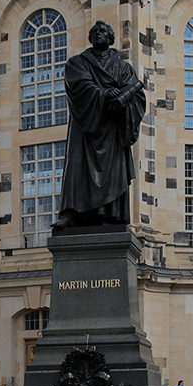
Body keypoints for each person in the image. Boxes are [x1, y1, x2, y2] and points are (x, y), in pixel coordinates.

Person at [49, 20, 146, 231]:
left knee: (112, 171)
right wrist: (103, 94)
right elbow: (78, 86)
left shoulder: (123, 67)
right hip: (85, 125)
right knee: (76, 166)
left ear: (111, 38)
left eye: (104, 31)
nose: (99, 34)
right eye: (95, 31)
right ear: (90, 38)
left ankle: (109, 214)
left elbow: (137, 96)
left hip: (112, 128)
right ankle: (71, 214)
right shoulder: (78, 62)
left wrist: (121, 102)